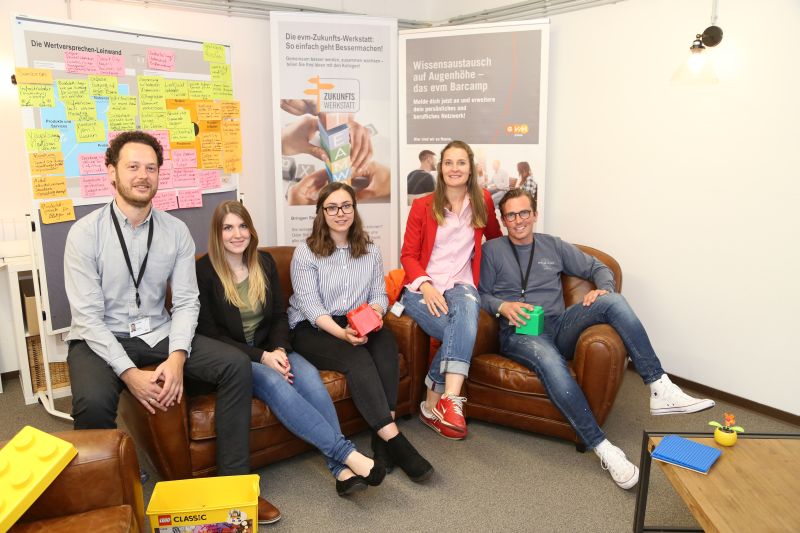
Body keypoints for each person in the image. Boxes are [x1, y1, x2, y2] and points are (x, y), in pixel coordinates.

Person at [63, 131, 281, 524]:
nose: (142, 175)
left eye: (150, 167)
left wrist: (178, 357)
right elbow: (88, 319)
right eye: (132, 166)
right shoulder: (84, 234)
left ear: (160, 175)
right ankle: (106, 503)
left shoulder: (175, 232)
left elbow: (185, 302)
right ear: (111, 172)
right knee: (92, 403)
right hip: (101, 337)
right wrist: (130, 374)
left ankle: (233, 486)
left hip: (160, 333)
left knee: (234, 364)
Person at [478, 188, 715, 489]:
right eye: (511, 215)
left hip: (558, 323)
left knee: (613, 301)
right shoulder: (492, 251)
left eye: (524, 212)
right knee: (551, 361)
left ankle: (659, 387)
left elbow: (597, 268)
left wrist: (600, 288)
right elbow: (481, 294)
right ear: (503, 220)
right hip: (521, 330)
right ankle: (604, 448)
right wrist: (503, 306)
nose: (518, 220)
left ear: (534, 214)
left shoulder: (553, 246)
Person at [196, 200, 385, 496]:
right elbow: (211, 335)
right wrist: (263, 357)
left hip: (273, 348)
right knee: (275, 381)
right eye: (228, 228)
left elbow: (277, 316)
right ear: (217, 234)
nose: (237, 234)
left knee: (309, 380)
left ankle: (341, 471)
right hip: (238, 358)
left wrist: (280, 350)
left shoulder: (265, 262)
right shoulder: (205, 271)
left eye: (243, 226)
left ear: (251, 230)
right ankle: (346, 453)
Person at [288, 182, 433, 482]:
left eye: (346, 206)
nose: (340, 213)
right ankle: (398, 443)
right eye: (332, 207)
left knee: (386, 347)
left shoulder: (369, 250)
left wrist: (374, 316)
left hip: (357, 318)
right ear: (321, 213)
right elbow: (312, 308)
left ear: (354, 209)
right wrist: (343, 335)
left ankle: (381, 441)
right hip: (313, 327)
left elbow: (379, 295)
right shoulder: (305, 253)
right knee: (357, 359)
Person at [400, 140, 502, 440]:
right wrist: (427, 285)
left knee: (469, 306)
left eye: (461, 163)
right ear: (440, 168)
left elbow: (495, 240)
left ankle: (446, 401)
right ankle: (436, 405)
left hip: (462, 282)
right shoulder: (423, 206)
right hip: (423, 287)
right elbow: (407, 255)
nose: (454, 168)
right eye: (448, 163)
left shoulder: (483, 200)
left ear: (470, 168)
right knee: (461, 331)